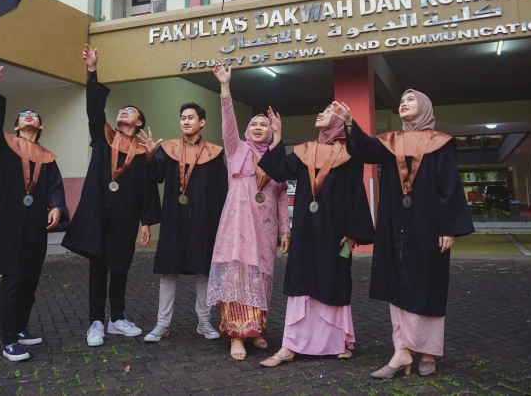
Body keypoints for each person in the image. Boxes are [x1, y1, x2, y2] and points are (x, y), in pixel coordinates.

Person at [335, 90, 474, 378]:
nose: (404, 103)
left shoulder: (441, 143)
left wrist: (449, 227)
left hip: (429, 224)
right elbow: (364, 149)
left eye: (411, 99)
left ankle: (428, 351)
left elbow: (449, 185)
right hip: (394, 222)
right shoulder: (390, 142)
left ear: (424, 106)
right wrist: (349, 122)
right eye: (401, 100)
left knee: (427, 284)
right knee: (398, 281)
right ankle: (402, 350)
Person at [256, 104, 375, 367]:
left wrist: (354, 233)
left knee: (333, 280)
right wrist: (276, 136)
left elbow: (356, 192)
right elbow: (278, 170)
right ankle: (290, 345)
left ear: (338, 121)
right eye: (320, 110)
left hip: (335, 231)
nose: (319, 113)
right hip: (305, 229)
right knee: (301, 282)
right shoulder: (304, 151)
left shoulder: (349, 153)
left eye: (328, 112)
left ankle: (337, 341)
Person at [61, 45, 161, 347]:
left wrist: (146, 221)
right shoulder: (103, 137)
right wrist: (92, 72)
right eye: (121, 110)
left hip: (125, 219)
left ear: (139, 123)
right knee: (98, 268)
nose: (123, 112)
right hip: (98, 214)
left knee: (120, 267)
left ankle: (117, 319)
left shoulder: (144, 153)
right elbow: (94, 109)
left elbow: (149, 187)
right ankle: (95, 322)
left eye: (130, 111)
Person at [0, 62, 68, 362]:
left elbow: (55, 186)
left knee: (30, 278)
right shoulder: (3, 145)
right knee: (12, 279)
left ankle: (21, 327)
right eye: (23, 115)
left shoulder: (47, 157)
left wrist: (56, 207)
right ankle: (8, 340)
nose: (29, 116)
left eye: (34, 116)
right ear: (15, 126)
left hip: (35, 227)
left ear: (40, 127)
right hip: (9, 224)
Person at [206, 62, 290, 360]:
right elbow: (228, 122)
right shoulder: (237, 149)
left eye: (263, 125)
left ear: (270, 131)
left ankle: (255, 331)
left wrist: (285, 230)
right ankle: (235, 336)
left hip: (264, 226)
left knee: (260, 277)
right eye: (253, 124)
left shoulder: (277, 158)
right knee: (237, 275)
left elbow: (281, 196)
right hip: (237, 223)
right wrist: (225, 86)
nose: (257, 128)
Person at [140, 101, 228, 342]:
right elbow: (156, 178)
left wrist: (223, 226)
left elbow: (222, 191)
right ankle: (162, 324)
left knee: (204, 271)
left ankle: (204, 322)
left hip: (203, 219)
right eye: (183, 118)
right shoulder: (166, 149)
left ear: (202, 122)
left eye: (191, 117)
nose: (186, 121)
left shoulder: (214, 153)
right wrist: (149, 158)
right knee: (168, 272)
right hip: (173, 219)